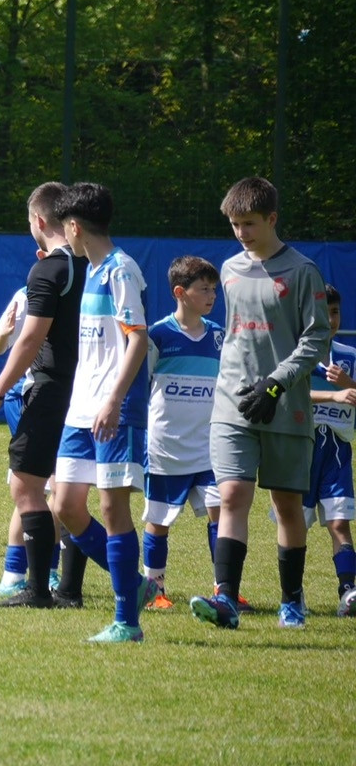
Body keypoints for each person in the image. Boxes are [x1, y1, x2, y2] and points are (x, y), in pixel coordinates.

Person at [191, 177, 330, 630]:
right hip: (233, 404)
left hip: (285, 405)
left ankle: (292, 600)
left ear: (272, 218)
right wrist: (243, 386)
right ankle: (226, 600)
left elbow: (317, 338)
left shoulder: (303, 271)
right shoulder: (230, 269)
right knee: (232, 495)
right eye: (235, 225)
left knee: (287, 505)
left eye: (249, 223)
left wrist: (276, 383)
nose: (241, 233)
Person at [48, 182, 153, 643]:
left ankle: (127, 621)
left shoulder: (120, 270)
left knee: (112, 507)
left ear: (74, 227)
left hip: (114, 408)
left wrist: (113, 400)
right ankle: (136, 585)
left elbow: (138, 338)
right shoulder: (92, 270)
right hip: (81, 409)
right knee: (66, 505)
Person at [0, 182, 87, 611]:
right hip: (86, 389)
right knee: (68, 491)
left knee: (26, 486)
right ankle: (69, 589)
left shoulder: (49, 270)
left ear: (39, 220)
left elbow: (30, 340)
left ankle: (38, 588)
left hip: (50, 389)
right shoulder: (95, 266)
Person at [141, 256, 240, 610]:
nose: (212, 296)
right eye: (204, 289)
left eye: (214, 289)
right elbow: (142, 385)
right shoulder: (157, 335)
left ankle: (224, 590)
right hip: (166, 447)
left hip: (209, 445)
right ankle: (154, 590)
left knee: (222, 512)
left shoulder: (218, 336)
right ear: (180, 293)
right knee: (159, 520)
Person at [0, 282, 62, 599]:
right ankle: (17, 573)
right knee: (42, 487)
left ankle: (43, 571)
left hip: (60, 397)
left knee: (56, 489)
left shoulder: (83, 289)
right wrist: (4, 334)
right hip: (26, 396)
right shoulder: (27, 294)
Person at [304, 284, 356, 616]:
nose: (330, 319)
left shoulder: (349, 357)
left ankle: (348, 592)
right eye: (323, 313)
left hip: (337, 452)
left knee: (340, 523)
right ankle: (293, 593)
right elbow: (286, 394)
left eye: (334, 312)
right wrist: (333, 394)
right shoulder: (297, 355)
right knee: (295, 524)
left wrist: (348, 385)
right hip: (301, 449)